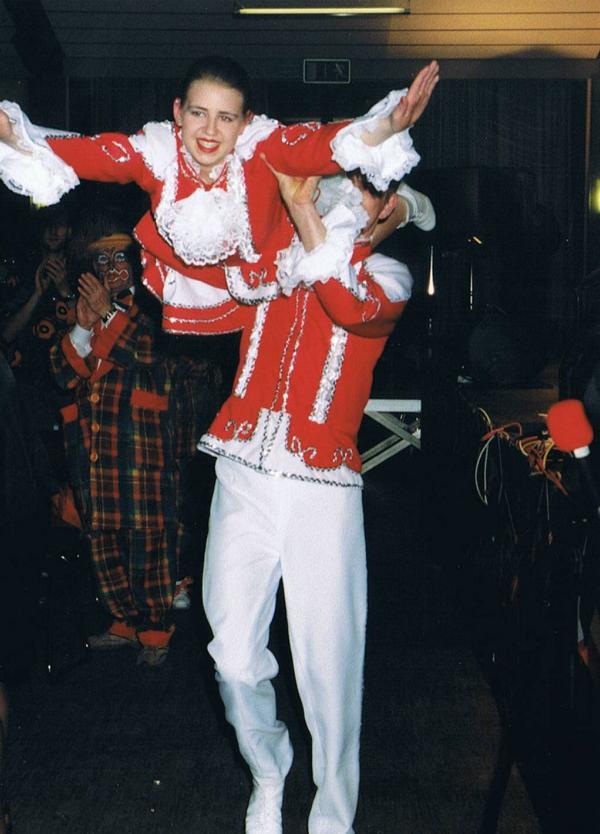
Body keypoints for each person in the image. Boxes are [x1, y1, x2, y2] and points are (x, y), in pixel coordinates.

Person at [177, 160, 427, 832]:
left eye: (372, 193)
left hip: (322, 491)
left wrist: (312, 216)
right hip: (243, 473)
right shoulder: (272, 256)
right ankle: (269, 769)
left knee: (329, 668)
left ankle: (332, 819)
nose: (351, 196)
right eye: (348, 182)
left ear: (389, 212)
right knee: (232, 658)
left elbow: (346, 304)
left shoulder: (388, 276)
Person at [0, 56, 438, 331]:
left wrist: (387, 125)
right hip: (211, 275)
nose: (209, 132)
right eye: (198, 113)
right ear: (178, 113)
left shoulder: (261, 146)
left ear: (245, 122)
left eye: (226, 118)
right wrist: (16, 138)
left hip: (282, 248)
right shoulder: (158, 154)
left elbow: (319, 145)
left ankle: (410, 205)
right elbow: (94, 153)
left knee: (355, 223)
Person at [49, 208, 183, 667]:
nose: (109, 269)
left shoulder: (158, 307)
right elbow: (62, 373)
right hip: (93, 452)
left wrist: (107, 313)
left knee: (149, 544)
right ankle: (123, 621)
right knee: (103, 543)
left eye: (118, 259)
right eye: (100, 261)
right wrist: (83, 324)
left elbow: (147, 353)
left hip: (141, 450)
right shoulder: (86, 309)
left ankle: (155, 630)